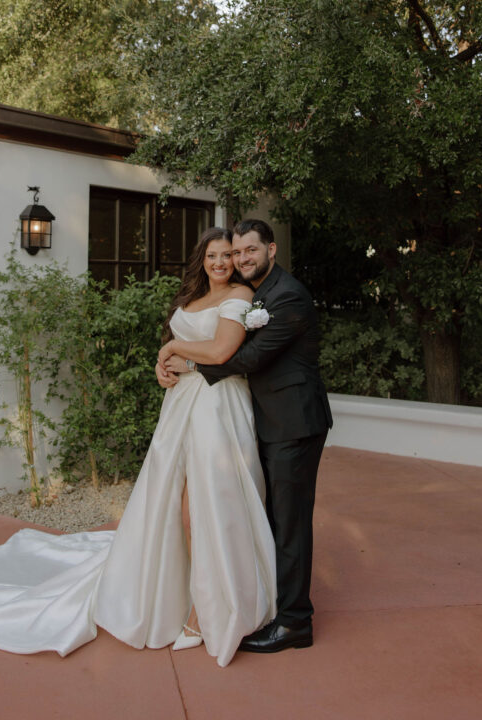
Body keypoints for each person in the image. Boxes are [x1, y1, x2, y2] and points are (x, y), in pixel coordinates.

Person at [0, 227, 276, 668]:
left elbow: (224, 350)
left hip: (217, 408)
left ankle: (205, 612)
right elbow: (191, 352)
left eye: (228, 255)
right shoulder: (193, 296)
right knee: (171, 508)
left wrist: (173, 346)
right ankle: (176, 598)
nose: (221, 262)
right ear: (201, 259)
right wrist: (162, 364)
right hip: (181, 405)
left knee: (207, 508)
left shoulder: (241, 295)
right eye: (212, 255)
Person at [157, 219, 332, 653]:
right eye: (236, 252)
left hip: (294, 423)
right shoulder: (261, 292)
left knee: (290, 525)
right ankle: (267, 602)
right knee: (263, 517)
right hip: (263, 418)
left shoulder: (286, 294)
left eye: (249, 250)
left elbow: (247, 356)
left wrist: (186, 360)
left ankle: (295, 623)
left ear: (271, 249)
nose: (240, 259)